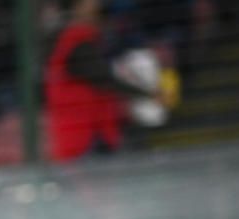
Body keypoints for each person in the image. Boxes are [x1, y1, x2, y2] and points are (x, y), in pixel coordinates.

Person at [45, 0, 159, 161]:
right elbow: (103, 79)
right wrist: (146, 94)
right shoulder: (77, 43)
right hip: (84, 133)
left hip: (81, 129)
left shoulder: (71, 41)